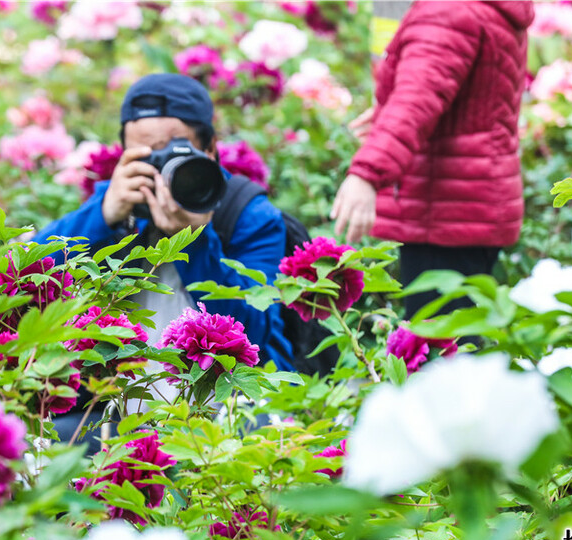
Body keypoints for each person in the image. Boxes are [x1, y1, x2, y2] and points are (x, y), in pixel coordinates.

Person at [32, 74, 293, 450]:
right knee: (47, 451)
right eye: (147, 155)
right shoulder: (115, 205)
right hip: (119, 412)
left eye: (176, 152)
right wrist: (103, 217)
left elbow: (254, 329)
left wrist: (197, 241)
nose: (163, 170)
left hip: (235, 407)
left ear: (211, 151)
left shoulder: (247, 214)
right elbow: (28, 275)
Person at [331, 0, 535, 319]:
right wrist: (388, 108)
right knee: (458, 342)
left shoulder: (449, 12)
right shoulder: (479, 8)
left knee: (438, 351)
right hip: (470, 204)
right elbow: (465, 92)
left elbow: (413, 106)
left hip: (444, 211)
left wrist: (366, 174)